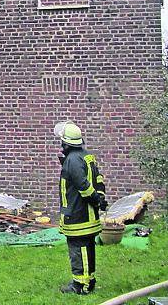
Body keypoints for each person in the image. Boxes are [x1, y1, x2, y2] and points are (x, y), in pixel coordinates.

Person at [54, 121, 107, 295]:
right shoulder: (86, 155)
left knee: (79, 248)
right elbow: (98, 179)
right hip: (88, 214)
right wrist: (101, 197)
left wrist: (95, 199)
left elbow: (83, 185)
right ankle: (88, 279)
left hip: (79, 214)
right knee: (87, 247)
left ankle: (81, 285)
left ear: (66, 143)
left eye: (62, 141)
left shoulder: (72, 160)